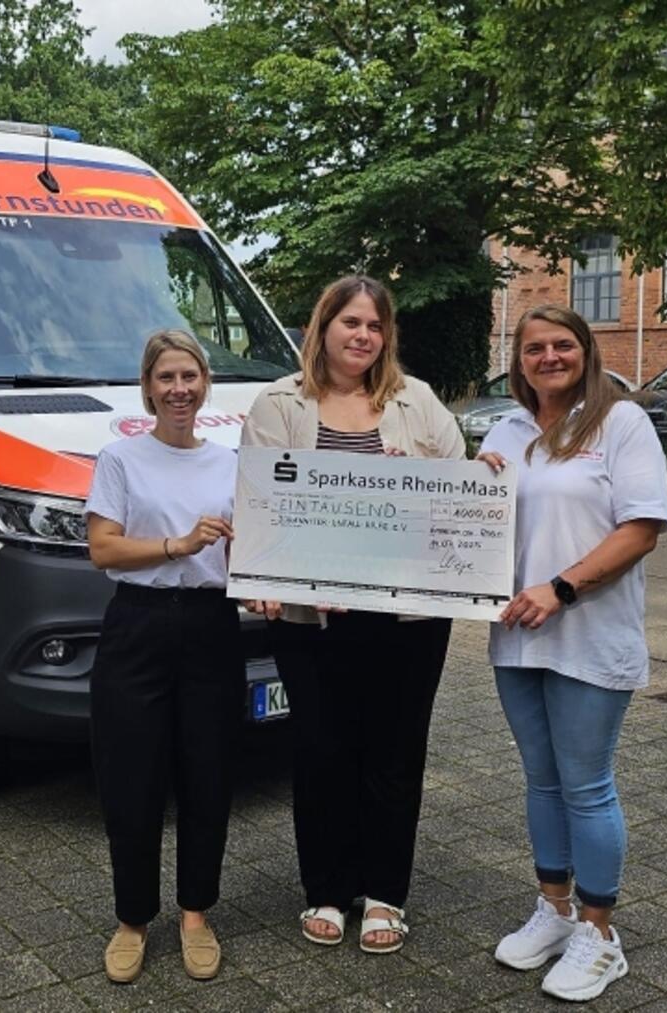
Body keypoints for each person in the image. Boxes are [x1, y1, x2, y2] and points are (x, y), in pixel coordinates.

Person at [241, 275, 465, 954]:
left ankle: (385, 892)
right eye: (350, 323)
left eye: (374, 325)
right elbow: (259, 506)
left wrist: (419, 483)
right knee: (321, 750)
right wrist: (261, 579)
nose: (362, 336)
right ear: (323, 327)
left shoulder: (416, 402)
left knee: (395, 752)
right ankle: (329, 890)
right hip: (312, 619)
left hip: (408, 620)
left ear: (385, 335)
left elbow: (459, 497)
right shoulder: (279, 404)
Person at [477, 304, 667, 1002]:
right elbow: (477, 521)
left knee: (586, 783)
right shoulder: (504, 429)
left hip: (589, 631)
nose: (549, 356)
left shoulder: (620, 423)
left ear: (586, 352)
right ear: (518, 359)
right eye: (535, 347)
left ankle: (600, 931)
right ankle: (554, 910)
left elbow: (643, 528)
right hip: (515, 634)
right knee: (542, 780)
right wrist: (471, 486)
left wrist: (560, 588)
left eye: (563, 344)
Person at [85, 328, 243, 984]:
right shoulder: (121, 458)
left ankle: (196, 914)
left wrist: (262, 579)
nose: (180, 389)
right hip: (139, 626)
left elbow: (251, 551)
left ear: (206, 383)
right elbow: (104, 549)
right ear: (148, 387)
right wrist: (177, 545)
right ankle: (131, 919)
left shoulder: (233, 461)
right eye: (167, 378)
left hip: (211, 624)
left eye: (191, 376)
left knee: (208, 775)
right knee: (133, 778)